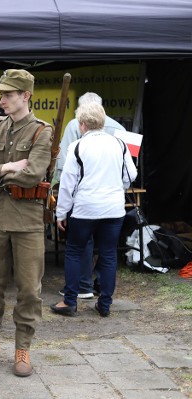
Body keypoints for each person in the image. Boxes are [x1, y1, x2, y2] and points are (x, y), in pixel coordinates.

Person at [0, 69, 53, 377]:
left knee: (29, 288)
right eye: (1, 94)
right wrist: (8, 165)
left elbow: (33, 174)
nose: (1, 99)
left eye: (7, 94)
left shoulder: (42, 131)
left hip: (28, 217)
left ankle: (23, 347)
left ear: (25, 96)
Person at [51, 101, 136, 318]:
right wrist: (117, 187)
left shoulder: (77, 146)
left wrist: (61, 213)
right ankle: (105, 304)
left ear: (82, 124)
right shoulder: (119, 144)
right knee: (108, 255)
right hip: (113, 208)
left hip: (85, 209)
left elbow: (68, 183)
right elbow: (131, 175)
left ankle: (69, 301)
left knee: (74, 252)